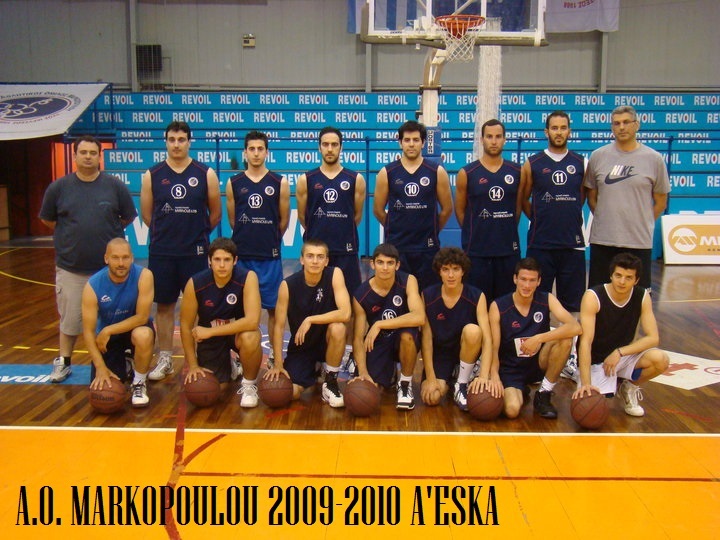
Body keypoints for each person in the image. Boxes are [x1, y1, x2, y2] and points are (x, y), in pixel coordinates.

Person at [39, 135, 137, 383]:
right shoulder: (59, 188)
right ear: (74, 156)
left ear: (99, 156)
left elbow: (127, 216)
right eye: (83, 152)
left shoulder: (114, 186)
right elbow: (48, 219)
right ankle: (64, 361)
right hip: (72, 268)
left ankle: (124, 357)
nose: (88, 157)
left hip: (109, 272)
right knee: (71, 319)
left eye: (93, 153)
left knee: (119, 318)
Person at [141, 121, 222, 381]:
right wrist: (167, 235)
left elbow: (215, 214)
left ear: (189, 142)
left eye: (181, 139)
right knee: (164, 306)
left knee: (196, 308)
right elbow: (147, 215)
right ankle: (165, 357)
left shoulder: (205, 173)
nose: (176, 144)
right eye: (172, 139)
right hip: (162, 252)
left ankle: (195, 358)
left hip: (194, 253)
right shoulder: (152, 175)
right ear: (166, 142)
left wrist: (197, 236)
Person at [470, 257, 582, 419]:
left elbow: (575, 327)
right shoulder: (498, 306)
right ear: (515, 279)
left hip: (538, 363)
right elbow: (493, 347)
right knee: (512, 410)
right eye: (523, 279)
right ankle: (519, 389)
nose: (527, 285)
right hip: (510, 369)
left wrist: (538, 338)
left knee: (565, 339)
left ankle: (544, 393)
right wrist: (494, 375)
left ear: (539, 281)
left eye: (532, 280)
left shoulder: (547, 299)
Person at [520, 111, 587, 381]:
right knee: (539, 303)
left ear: (569, 131)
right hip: (541, 244)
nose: (559, 132)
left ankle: (569, 357)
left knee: (572, 307)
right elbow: (524, 199)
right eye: (554, 128)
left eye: (563, 127)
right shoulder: (533, 163)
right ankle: (537, 357)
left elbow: (582, 197)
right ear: (546, 132)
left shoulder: (581, 162)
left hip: (572, 244)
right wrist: (539, 218)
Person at [584, 105, 670, 289]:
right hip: (603, 240)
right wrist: (606, 217)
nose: (621, 127)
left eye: (626, 122)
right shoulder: (598, 156)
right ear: (612, 127)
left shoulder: (654, 159)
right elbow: (591, 197)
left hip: (638, 241)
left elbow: (661, 201)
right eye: (616, 123)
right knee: (599, 295)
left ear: (636, 125)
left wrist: (642, 220)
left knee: (638, 297)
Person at [573, 253, 669, 417]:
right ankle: (578, 374)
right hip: (597, 360)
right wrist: (586, 383)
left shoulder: (642, 296)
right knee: (595, 408)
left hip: (622, 356)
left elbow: (653, 338)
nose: (622, 281)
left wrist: (619, 352)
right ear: (611, 275)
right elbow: (585, 343)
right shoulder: (593, 296)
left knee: (661, 360)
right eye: (618, 275)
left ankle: (628, 387)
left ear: (636, 280)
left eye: (628, 277)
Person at [226, 130, 290, 364]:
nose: (255, 153)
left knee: (274, 309)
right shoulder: (234, 183)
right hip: (243, 257)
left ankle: (274, 353)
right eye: (251, 149)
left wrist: (269, 238)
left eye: (260, 149)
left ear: (267, 152)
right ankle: (239, 355)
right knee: (240, 311)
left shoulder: (279, 182)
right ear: (245, 153)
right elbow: (233, 220)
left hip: (269, 256)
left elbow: (283, 220)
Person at [264, 239, 352, 407]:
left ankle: (330, 381)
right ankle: (315, 368)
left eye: (320, 257)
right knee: (291, 393)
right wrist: (278, 363)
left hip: (327, 342)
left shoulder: (335, 274)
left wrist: (310, 319)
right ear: (302, 259)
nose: (315, 261)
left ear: (326, 261)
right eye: (310, 256)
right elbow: (279, 326)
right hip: (302, 347)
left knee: (339, 328)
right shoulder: (288, 285)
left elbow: (346, 313)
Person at [179, 237, 263, 407]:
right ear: (209, 261)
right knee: (216, 389)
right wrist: (193, 365)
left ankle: (249, 385)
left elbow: (252, 321)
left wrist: (210, 331)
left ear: (235, 260)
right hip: (211, 339)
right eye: (217, 259)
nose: (222, 265)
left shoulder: (247, 277)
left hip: (236, 333)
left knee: (251, 337)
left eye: (227, 260)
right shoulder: (195, 283)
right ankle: (231, 366)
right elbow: (185, 326)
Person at [373, 120, 453, 291]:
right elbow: (378, 210)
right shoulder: (387, 172)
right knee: (399, 296)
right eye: (407, 140)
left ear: (423, 143)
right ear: (400, 142)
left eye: (416, 140)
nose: (411, 144)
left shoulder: (436, 171)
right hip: (398, 247)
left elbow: (447, 209)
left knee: (428, 296)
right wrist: (395, 228)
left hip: (427, 248)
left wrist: (432, 229)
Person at [455, 119, 523, 303]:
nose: (494, 141)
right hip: (477, 251)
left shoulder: (517, 171)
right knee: (478, 303)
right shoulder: (467, 173)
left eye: (498, 137)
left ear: (504, 139)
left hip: (507, 250)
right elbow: (460, 211)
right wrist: (476, 230)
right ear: (481, 139)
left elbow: (517, 209)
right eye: (489, 136)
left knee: (506, 304)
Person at [352, 243, 426, 410]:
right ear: (372, 264)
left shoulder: (408, 281)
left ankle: (405, 384)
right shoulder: (361, 295)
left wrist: (380, 324)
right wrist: (363, 371)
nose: (385, 268)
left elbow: (419, 317)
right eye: (380, 262)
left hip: (404, 336)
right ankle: (389, 374)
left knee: (407, 336)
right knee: (371, 388)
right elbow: (357, 338)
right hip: (380, 340)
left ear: (397, 265)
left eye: (390, 263)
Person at [82, 238, 154, 406]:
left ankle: (139, 382)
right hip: (109, 339)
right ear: (106, 258)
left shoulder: (144, 276)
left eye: (125, 257)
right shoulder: (92, 286)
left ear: (132, 258)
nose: (121, 263)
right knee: (105, 388)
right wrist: (100, 367)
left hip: (132, 329)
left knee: (144, 334)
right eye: (115, 258)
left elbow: (142, 317)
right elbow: (88, 331)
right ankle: (126, 364)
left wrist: (108, 330)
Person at [296, 126, 366, 298]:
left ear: (341, 147)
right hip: (316, 253)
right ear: (319, 147)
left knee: (351, 300)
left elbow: (356, 216)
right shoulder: (306, 179)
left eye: (334, 145)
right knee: (313, 300)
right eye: (325, 144)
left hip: (345, 250)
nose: (329, 149)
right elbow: (303, 217)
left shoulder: (355, 179)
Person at [420, 247, 492, 411]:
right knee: (432, 398)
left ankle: (462, 382)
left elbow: (487, 339)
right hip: (441, 355)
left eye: (455, 269)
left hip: (467, 354)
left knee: (473, 331)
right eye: (445, 269)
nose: (451, 275)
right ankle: (451, 381)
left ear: (463, 271)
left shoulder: (477, 296)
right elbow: (426, 339)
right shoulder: (428, 295)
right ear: (439, 272)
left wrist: (484, 375)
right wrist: (430, 377)